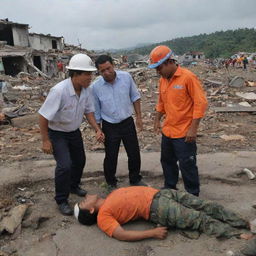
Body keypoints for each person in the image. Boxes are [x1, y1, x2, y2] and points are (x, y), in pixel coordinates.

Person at [38, 53, 104, 216]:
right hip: (58, 133)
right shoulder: (59, 91)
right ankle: (61, 199)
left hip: (73, 132)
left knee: (80, 161)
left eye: (91, 74)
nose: (91, 77)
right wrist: (45, 140)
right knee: (64, 165)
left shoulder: (86, 90)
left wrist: (97, 129)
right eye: (87, 74)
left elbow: (88, 112)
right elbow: (43, 116)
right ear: (75, 74)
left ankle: (73, 186)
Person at [74, 186, 251, 241]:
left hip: (162, 194)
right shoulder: (103, 217)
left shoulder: (108, 197)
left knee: (206, 205)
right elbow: (121, 234)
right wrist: (151, 233)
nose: (86, 197)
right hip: (157, 208)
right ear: (90, 209)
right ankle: (237, 234)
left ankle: (245, 222)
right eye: (83, 202)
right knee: (199, 219)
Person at [148, 45, 208, 196]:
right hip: (168, 130)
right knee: (167, 161)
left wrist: (193, 129)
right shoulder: (163, 80)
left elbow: (200, 103)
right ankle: (170, 188)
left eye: (159, 67)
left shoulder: (188, 77)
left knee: (187, 164)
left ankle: (192, 194)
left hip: (184, 132)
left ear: (169, 62)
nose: (157, 71)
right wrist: (157, 120)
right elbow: (161, 102)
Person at [91, 55, 146, 188]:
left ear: (113, 65)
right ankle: (111, 182)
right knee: (111, 156)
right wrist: (98, 130)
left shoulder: (126, 78)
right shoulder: (95, 87)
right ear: (98, 71)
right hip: (109, 126)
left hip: (127, 122)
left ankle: (135, 179)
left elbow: (135, 97)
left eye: (108, 68)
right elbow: (96, 111)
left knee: (133, 153)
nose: (106, 72)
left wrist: (138, 117)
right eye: (102, 71)